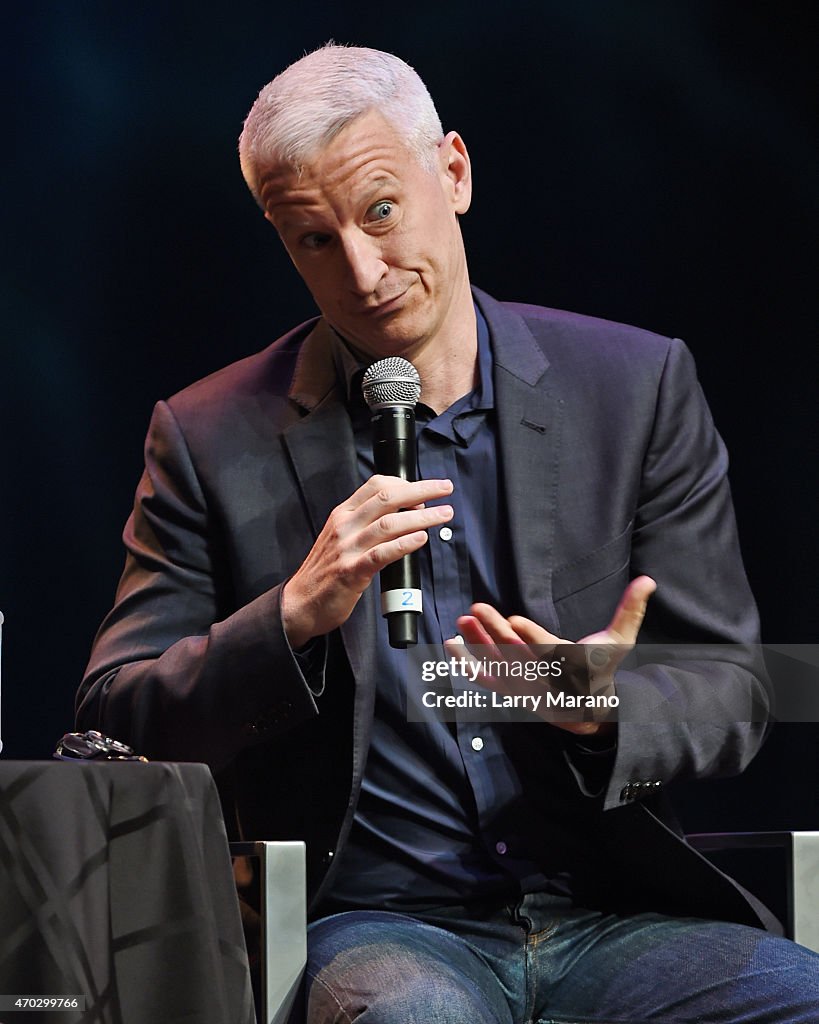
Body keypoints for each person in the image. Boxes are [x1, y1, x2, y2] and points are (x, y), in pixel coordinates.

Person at [77, 43, 819, 1022]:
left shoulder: (632, 386)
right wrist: (291, 617)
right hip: (384, 926)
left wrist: (594, 701)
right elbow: (109, 718)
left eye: (380, 210)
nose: (363, 269)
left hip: (614, 914)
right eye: (313, 238)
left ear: (454, 172)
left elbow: (740, 685)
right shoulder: (211, 435)